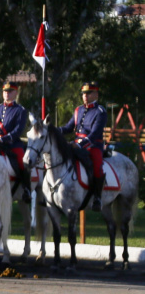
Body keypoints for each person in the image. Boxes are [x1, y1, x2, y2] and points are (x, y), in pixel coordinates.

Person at [58, 82, 107, 211]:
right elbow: (68, 128)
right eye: (84, 93)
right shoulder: (78, 110)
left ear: (96, 94)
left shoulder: (100, 111)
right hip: (75, 144)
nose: (85, 96)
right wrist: (53, 130)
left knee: (97, 167)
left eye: (89, 93)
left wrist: (80, 144)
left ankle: (97, 197)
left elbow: (94, 133)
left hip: (93, 145)